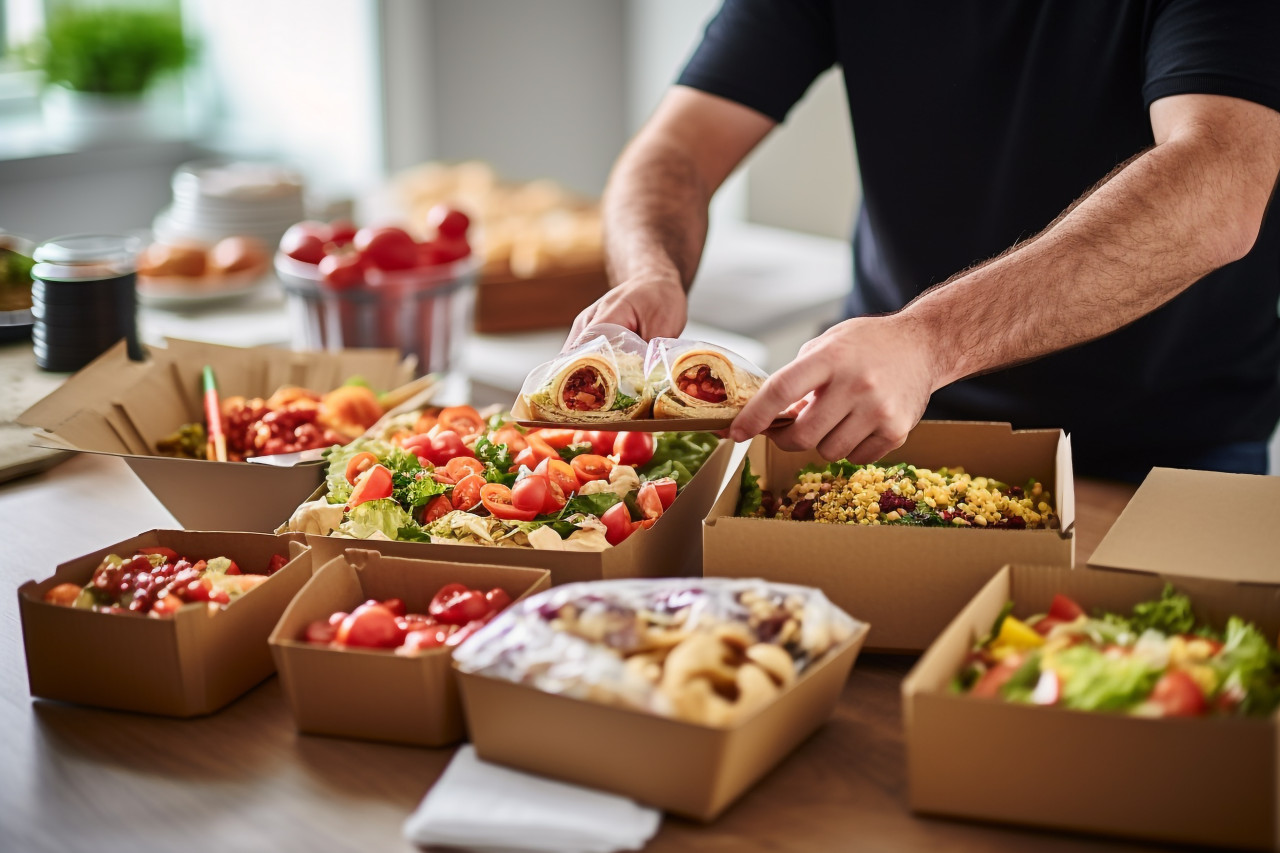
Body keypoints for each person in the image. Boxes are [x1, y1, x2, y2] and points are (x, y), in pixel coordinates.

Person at [567, 0, 1280, 481]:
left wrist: (930, 340)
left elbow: (1220, 179)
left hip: (1168, 446)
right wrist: (651, 270)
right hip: (887, 423)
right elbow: (675, 149)